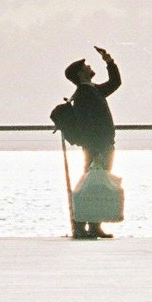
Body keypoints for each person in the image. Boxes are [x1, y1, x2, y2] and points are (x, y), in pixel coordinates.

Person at [51, 49, 123, 238]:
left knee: (96, 185)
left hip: (103, 145)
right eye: (86, 66)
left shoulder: (93, 90)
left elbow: (116, 83)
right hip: (96, 147)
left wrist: (109, 61)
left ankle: (93, 225)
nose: (90, 67)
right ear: (80, 73)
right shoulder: (83, 95)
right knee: (89, 185)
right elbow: (87, 125)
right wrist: (96, 148)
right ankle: (80, 226)